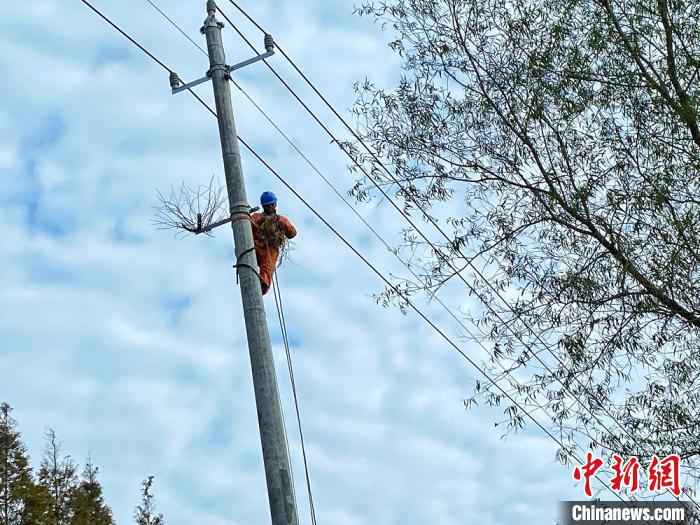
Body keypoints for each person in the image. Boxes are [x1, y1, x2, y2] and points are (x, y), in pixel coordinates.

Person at [250, 191, 297, 295]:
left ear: (275, 205)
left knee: (267, 266)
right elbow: (246, 223)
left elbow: (292, 233)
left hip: (269, 250)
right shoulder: (257, 217)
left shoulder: (281, 220)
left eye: (271, 205)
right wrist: (262, 220)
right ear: (264, 206)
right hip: (255, 247)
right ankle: (256, 280)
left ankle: (262, 285)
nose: (270, 207)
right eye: (267, 206)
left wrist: (281, 224)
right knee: (264, 263)